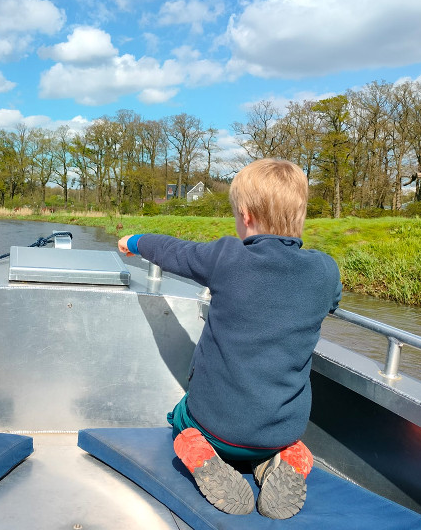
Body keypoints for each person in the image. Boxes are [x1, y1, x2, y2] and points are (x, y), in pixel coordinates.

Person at [118, 159, 341, 519]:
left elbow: (173, 251)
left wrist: (134, 240)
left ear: (246, 216)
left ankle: (199, 450)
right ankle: (284, 459)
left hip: (217, 427)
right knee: (276, 439)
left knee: (180, 418)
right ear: (300, 216)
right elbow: (332, 301)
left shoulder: (227, 256)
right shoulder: (325, 270)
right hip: (281, 431)